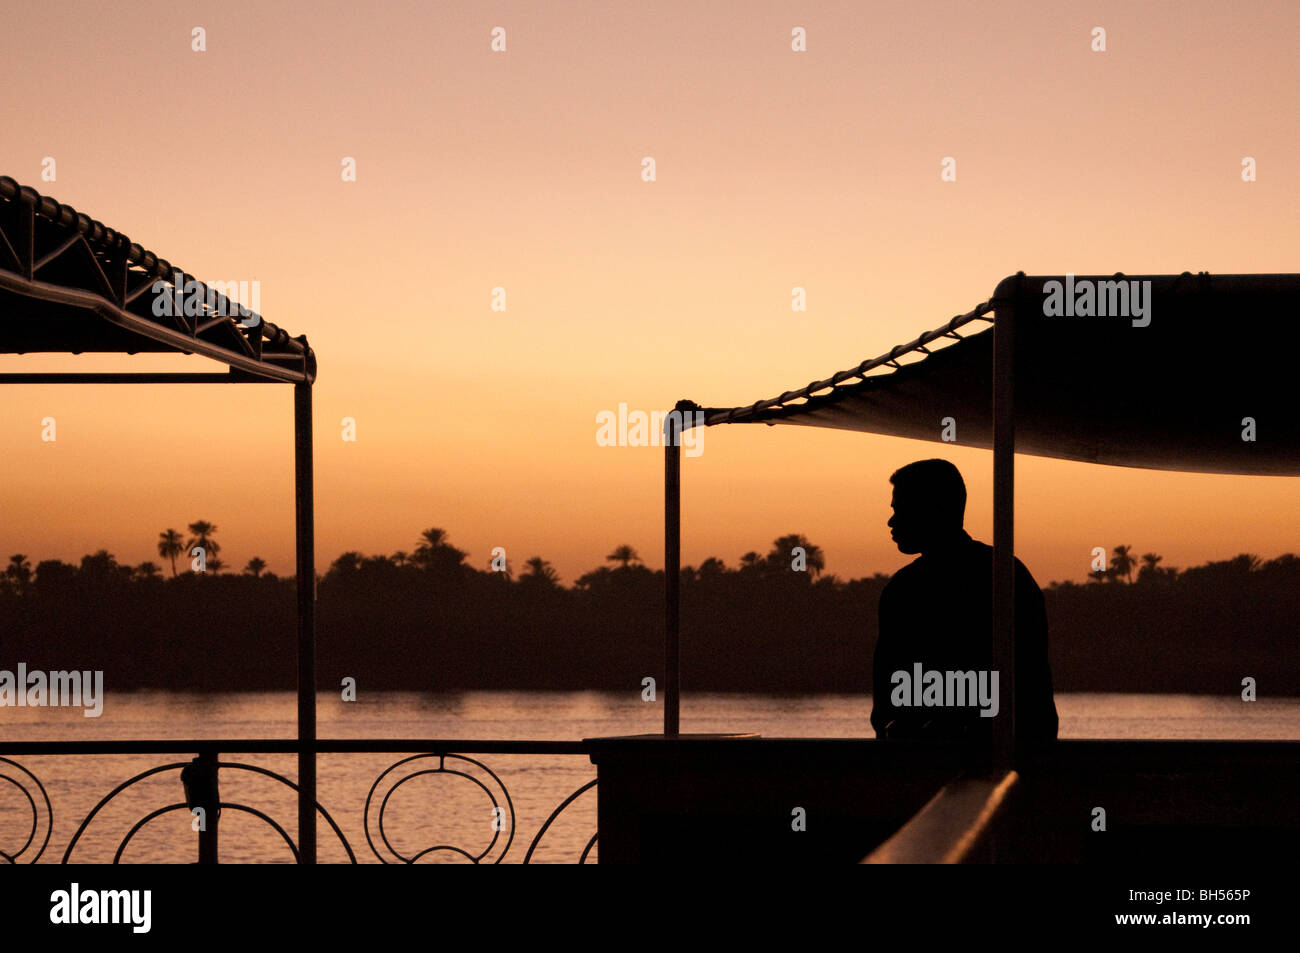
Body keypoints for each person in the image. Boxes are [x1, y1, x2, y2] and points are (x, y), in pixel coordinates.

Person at [870, 458, 1058, 743]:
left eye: (901, 510)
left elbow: (888, 693)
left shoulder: (905, 589)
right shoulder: (1006, 574)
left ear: (932, 509)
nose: (891, 521)